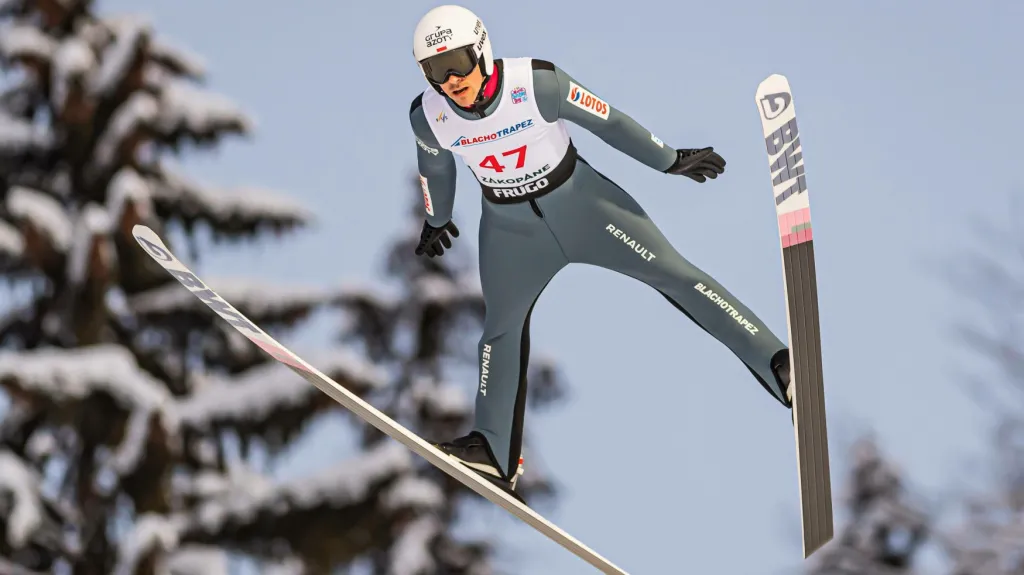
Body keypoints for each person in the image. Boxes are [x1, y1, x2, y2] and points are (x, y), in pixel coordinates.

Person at [408, 4, 792, 502]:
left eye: (457, 61)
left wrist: (668, 159)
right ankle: (495, 452)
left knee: (675, 275)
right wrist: (437, 217)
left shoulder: (535, 83)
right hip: (509, 231)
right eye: (435, 70)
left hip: (585, 207)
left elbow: (607, 120)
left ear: (481, 49)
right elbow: (434, 168)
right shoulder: (429, 115)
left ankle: (779, 364)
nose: (451, 79)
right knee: (500, 330)